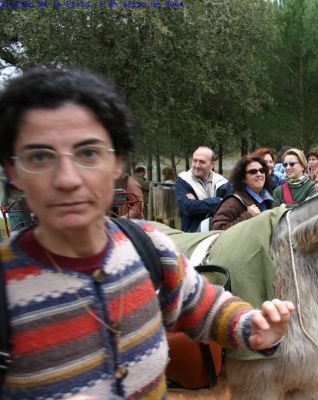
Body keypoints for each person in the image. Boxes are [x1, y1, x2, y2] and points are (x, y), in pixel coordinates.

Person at [0, 68, 294, 399]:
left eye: (88, 153)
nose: (67, 179)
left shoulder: (147, 247)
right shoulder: (6, 287)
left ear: (117, 164)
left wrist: (250, 327)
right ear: (13, 171)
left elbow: (201, 302)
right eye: (40, 156)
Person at [175, 146, 231, 232]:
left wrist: (197, 203)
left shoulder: (221, 182)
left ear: (212, 164)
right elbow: (187, 207)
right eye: (194, 161)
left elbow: (229, 207)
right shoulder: (183, 180)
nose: (197, 165)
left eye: (202, 162)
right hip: (192, 235)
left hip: (218, 233)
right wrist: (217, 201)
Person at [211, 156, 274, 230]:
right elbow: (216, 229)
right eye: (253, 171)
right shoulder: (233, 202)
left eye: (262, 170)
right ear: (243, 178)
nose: (259, 174)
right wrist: (247, 216)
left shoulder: (268, 198)